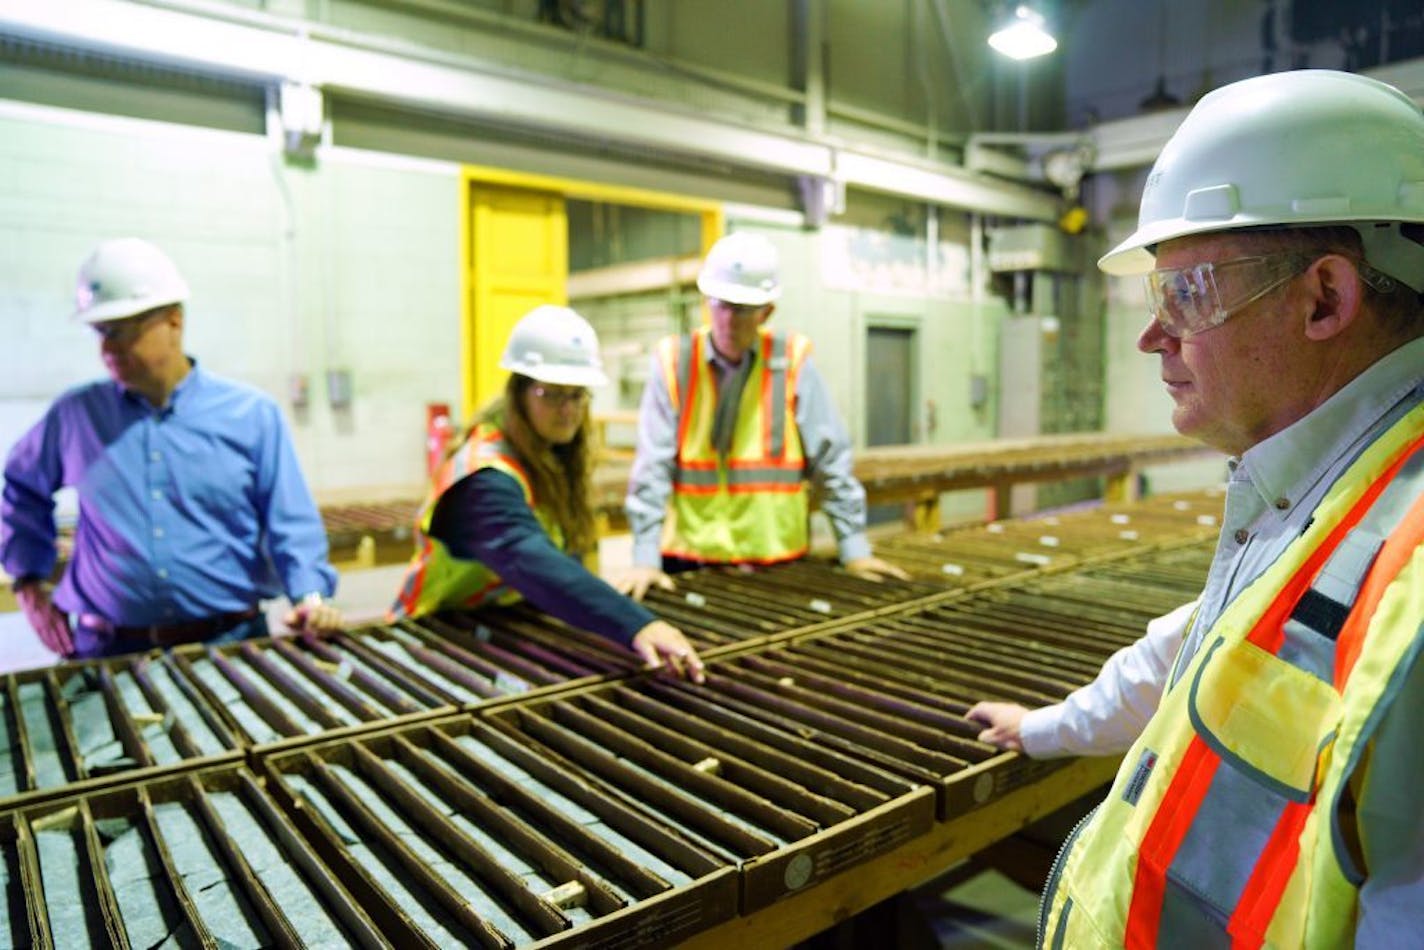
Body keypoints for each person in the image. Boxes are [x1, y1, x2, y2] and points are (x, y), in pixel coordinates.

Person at [972, 71, 1424, 948]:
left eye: (1187, 293)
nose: (1152, 336)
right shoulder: (1345, 486)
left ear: (1325, 297)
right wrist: (1045, 727)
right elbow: (1216, 642)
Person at [2, 237, 342, 661]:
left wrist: (309, 596)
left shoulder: (251, 416)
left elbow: (289, 520)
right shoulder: (77, 417)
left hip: (229, 645)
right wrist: (28, 581)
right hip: (109, 649)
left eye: (125, 331)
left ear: (174, 322)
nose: (108, 348)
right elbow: (20, 486)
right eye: (102, 332)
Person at [389, 305, 705, 682]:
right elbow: (531, 560)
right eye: (552, 394)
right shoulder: (484, 477)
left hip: (501, 621)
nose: (568, 410)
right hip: (433, 637)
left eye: (577, 396)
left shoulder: (546, 453)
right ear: (519, 392)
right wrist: (637, 625)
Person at [615, 231, 908, 600]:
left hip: (776, 557)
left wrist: (854, 548)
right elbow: (652, 466)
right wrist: (645, 556)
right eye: (720, 305)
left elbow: (830, 459)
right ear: (706, 300)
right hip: (688, 558)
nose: (727, 320)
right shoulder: (675, 363)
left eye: (741, 310)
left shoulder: (792, 362)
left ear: (766, 312)